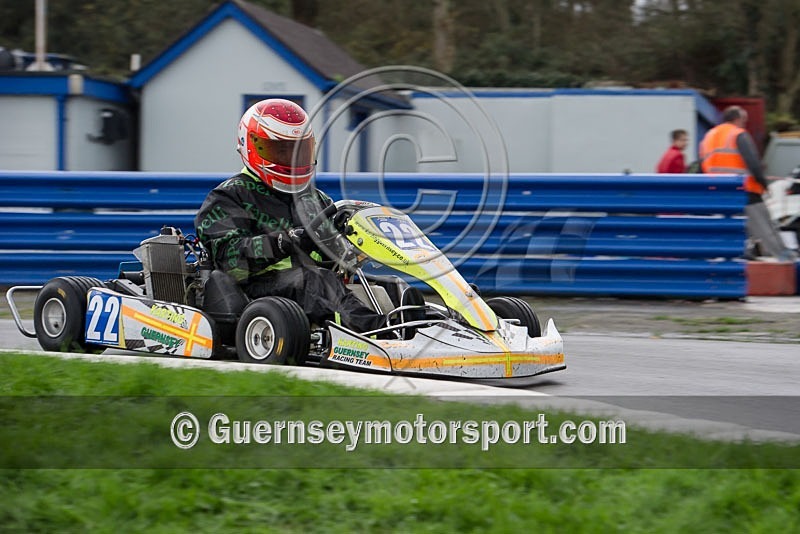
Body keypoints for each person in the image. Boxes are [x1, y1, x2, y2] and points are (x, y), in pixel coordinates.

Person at [194, 98, 388, 332]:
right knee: (316, 281)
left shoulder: (315, 199)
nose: (290, 159)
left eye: (298, 150)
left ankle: (415, 324)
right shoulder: (229, 196)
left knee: (387, 287)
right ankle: (375, 333)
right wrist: (284, 241)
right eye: (280, 150)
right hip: (253, 290)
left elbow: (335, 255)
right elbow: (229, 259)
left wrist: (354, 244)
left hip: (309, 285)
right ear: (251, 146)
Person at [699, 105, 797, 261]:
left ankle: (736, 254)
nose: (744, 123)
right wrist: (763, 184)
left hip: (719, 190)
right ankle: (783, 255)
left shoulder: (709, 137)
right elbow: (753, 162)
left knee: (731, 225)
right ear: (738, 119)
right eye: (744, 120)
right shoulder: (738, 134)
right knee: (764, 224)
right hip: (744, 188)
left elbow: (702, 164)